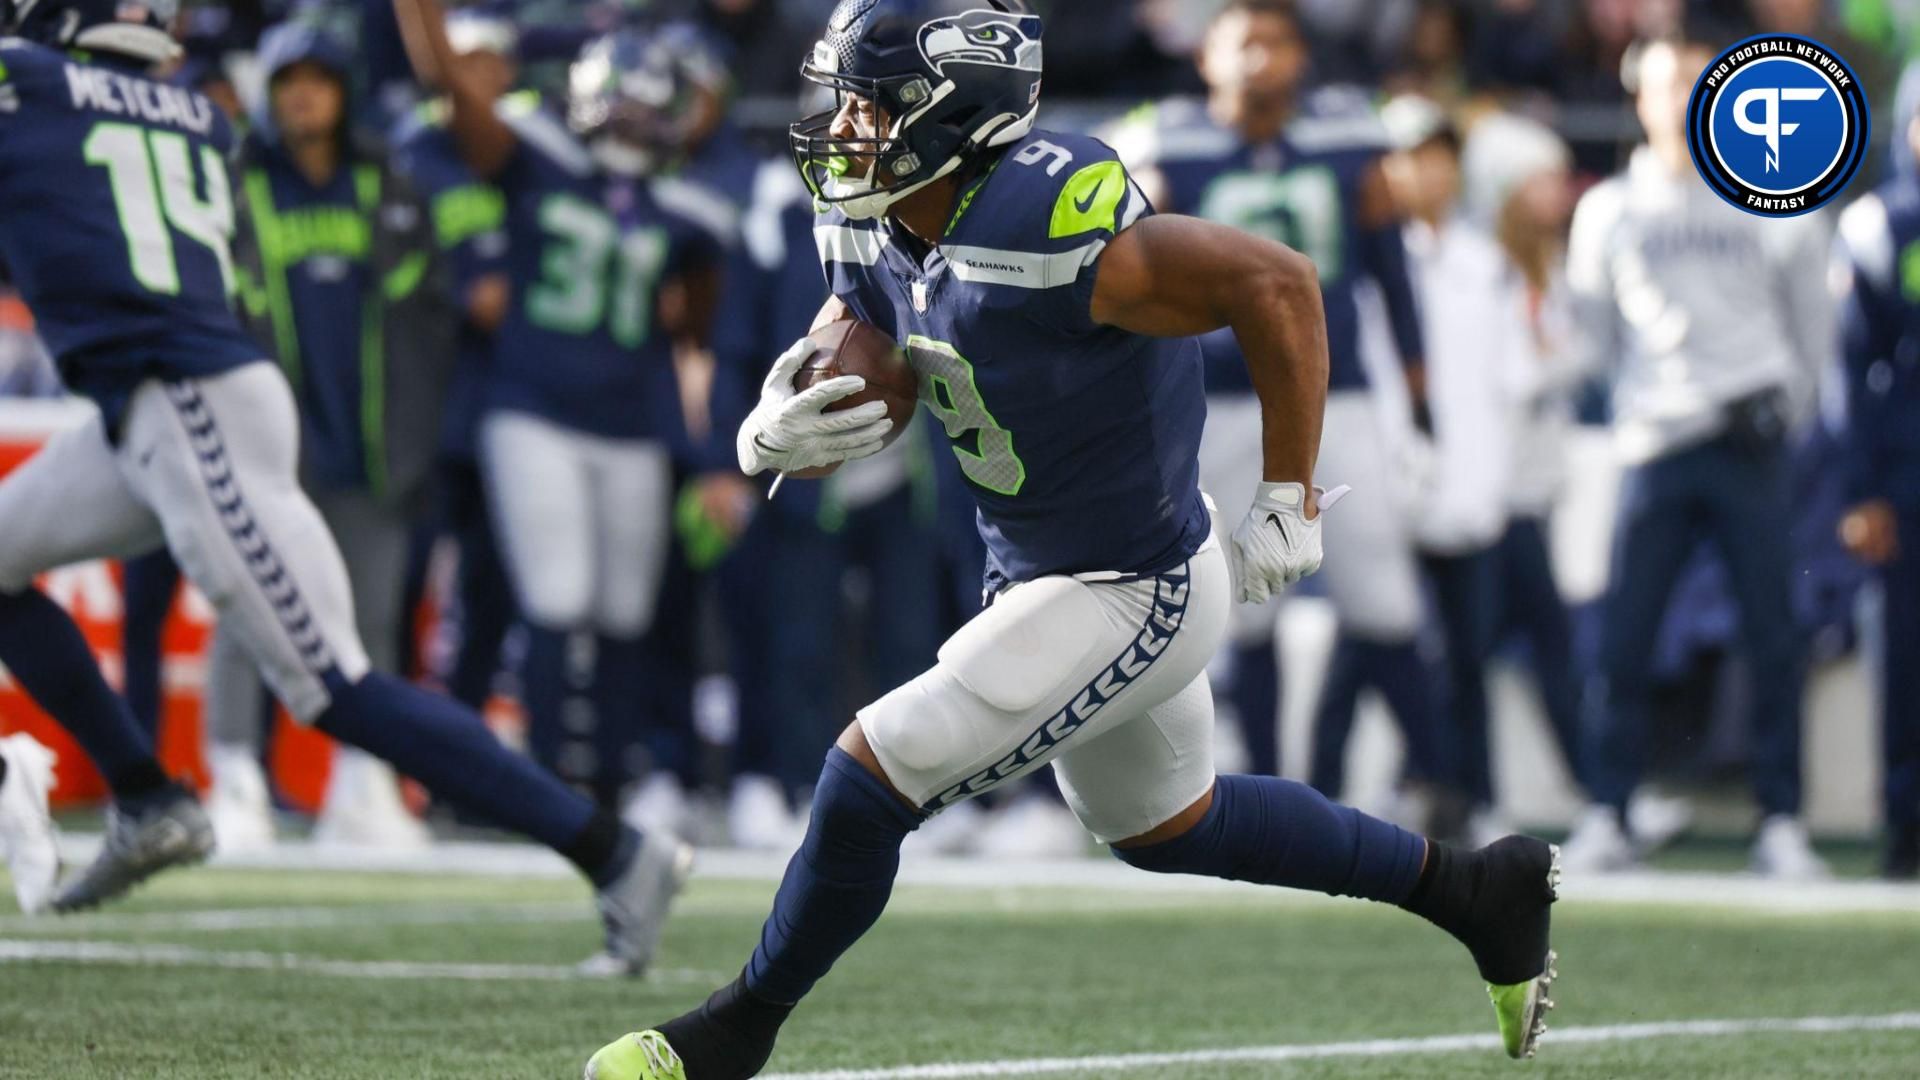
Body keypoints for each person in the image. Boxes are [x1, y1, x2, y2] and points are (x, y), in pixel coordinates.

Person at [586, 3, 1559, 1077]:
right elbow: (882, 342)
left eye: (870, 104)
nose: (843, 126)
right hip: (1039, 573)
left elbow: (1275, 281)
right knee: (1168, 825)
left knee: (875, 769)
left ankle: (733, 1034)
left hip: (1133, 582)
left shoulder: (1043, 216)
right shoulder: (874, 214)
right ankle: (1477, 890)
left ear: (950, 113)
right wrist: (783, 416)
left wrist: (1287, 494)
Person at [0, 0, 687, 974]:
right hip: (157, 401)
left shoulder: (28, 84)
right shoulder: (191, 108)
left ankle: (615, 853)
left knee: (334, 687)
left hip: (186, 405)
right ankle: (148, 795)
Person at [392, 0, 722, 810]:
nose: (635, 118)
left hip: (632, 423)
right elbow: (447, 84)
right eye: (626, 100)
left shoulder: (687, 211)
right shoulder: (535, 154)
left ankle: (606, 784)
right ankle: (542, 784)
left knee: (622, 608)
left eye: (652, 105)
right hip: (532, 406)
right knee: (556, 594)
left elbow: (698, 327)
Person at [1111, 0, 1442, 799]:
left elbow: (1392, 274)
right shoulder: (1164, 145)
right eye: (1244, 41)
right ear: (1206, 57)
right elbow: (1135, 288)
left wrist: (1422, 399)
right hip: (1220, 402)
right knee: (1238, 608)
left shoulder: (1351, 139)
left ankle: (1450, 781)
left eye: (1278, 41)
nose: (1262, 58)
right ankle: (1251, 790)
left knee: (1385, 601)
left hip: (1340, 396)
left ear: (1303, 56)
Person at [1559, 30, 1833, 878]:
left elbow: (1811, 334)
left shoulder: (1779, 197)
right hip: (1655, 441)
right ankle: (1610, 809)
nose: (1681, 99)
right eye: (1667, 83)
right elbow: (1594, 332)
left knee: (1775, 636)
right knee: (1626, 637)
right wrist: (1647, 405)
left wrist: (1783, 411)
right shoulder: (1608, 209)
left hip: (1750, 442)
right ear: (1638, 95)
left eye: (1697, 83)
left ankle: (1781, 821)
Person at [207, 23, 452, 851]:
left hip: (371, 447)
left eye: (320, 79)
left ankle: (362, 784)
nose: (303, 95)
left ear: (346, 91)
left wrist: (414, 437)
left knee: (370, 622)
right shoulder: (237, 181)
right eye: (288, 81)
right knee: (246, 609)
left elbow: (428, 320)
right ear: (268, 92)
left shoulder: (387, 179)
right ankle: (233, 778)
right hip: (263, 444)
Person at [389, 9, 519, 721]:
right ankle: (389, 741)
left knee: (492, 588)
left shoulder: (527, 150)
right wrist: (461, 291)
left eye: (488, 62)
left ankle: (459, 747)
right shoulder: (411, 151)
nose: (478, 75)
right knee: (404, 578)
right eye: (464, 61)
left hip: (511, 403)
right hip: (431, 401)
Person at [1834, 84, 1920, 879]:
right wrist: (1862, 490)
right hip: (1908, 479)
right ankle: (1906, 823)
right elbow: (1854, 370)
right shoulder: (1881, 225)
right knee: (1907, 662)